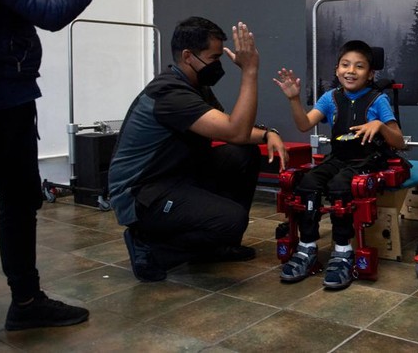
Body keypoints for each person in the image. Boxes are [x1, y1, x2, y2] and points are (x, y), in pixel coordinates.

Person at [0, 0, 119, 331]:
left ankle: (27, 300)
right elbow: (51, 11)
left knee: (20, 202)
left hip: (8, 99)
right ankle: (27, 299)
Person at [108, 17, 288, 282]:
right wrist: (250, 71)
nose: (218, 64)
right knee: (232, 220)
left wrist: (268, 134)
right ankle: (149, 247)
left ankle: (217, 246)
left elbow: (228, 127)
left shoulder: (196, 87)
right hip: (141, 194)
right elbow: (235, 130)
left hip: (174, 176)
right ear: (188, 56)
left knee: (243, 154)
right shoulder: (169, 93)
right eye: (214, 57)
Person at [273, 40, 406, 289]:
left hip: (369, 159)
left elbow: (399, 142)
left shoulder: (378, 100)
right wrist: (294, 99)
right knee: (308, 183)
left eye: (359, 66)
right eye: (345, 65)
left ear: (370, 74)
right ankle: (307, 247)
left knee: (339, 186)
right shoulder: (330, 98)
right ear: (336, 70)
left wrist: (378, 126)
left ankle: (343, 252)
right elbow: (304, 124)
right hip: (339, 158)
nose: (351, 71)